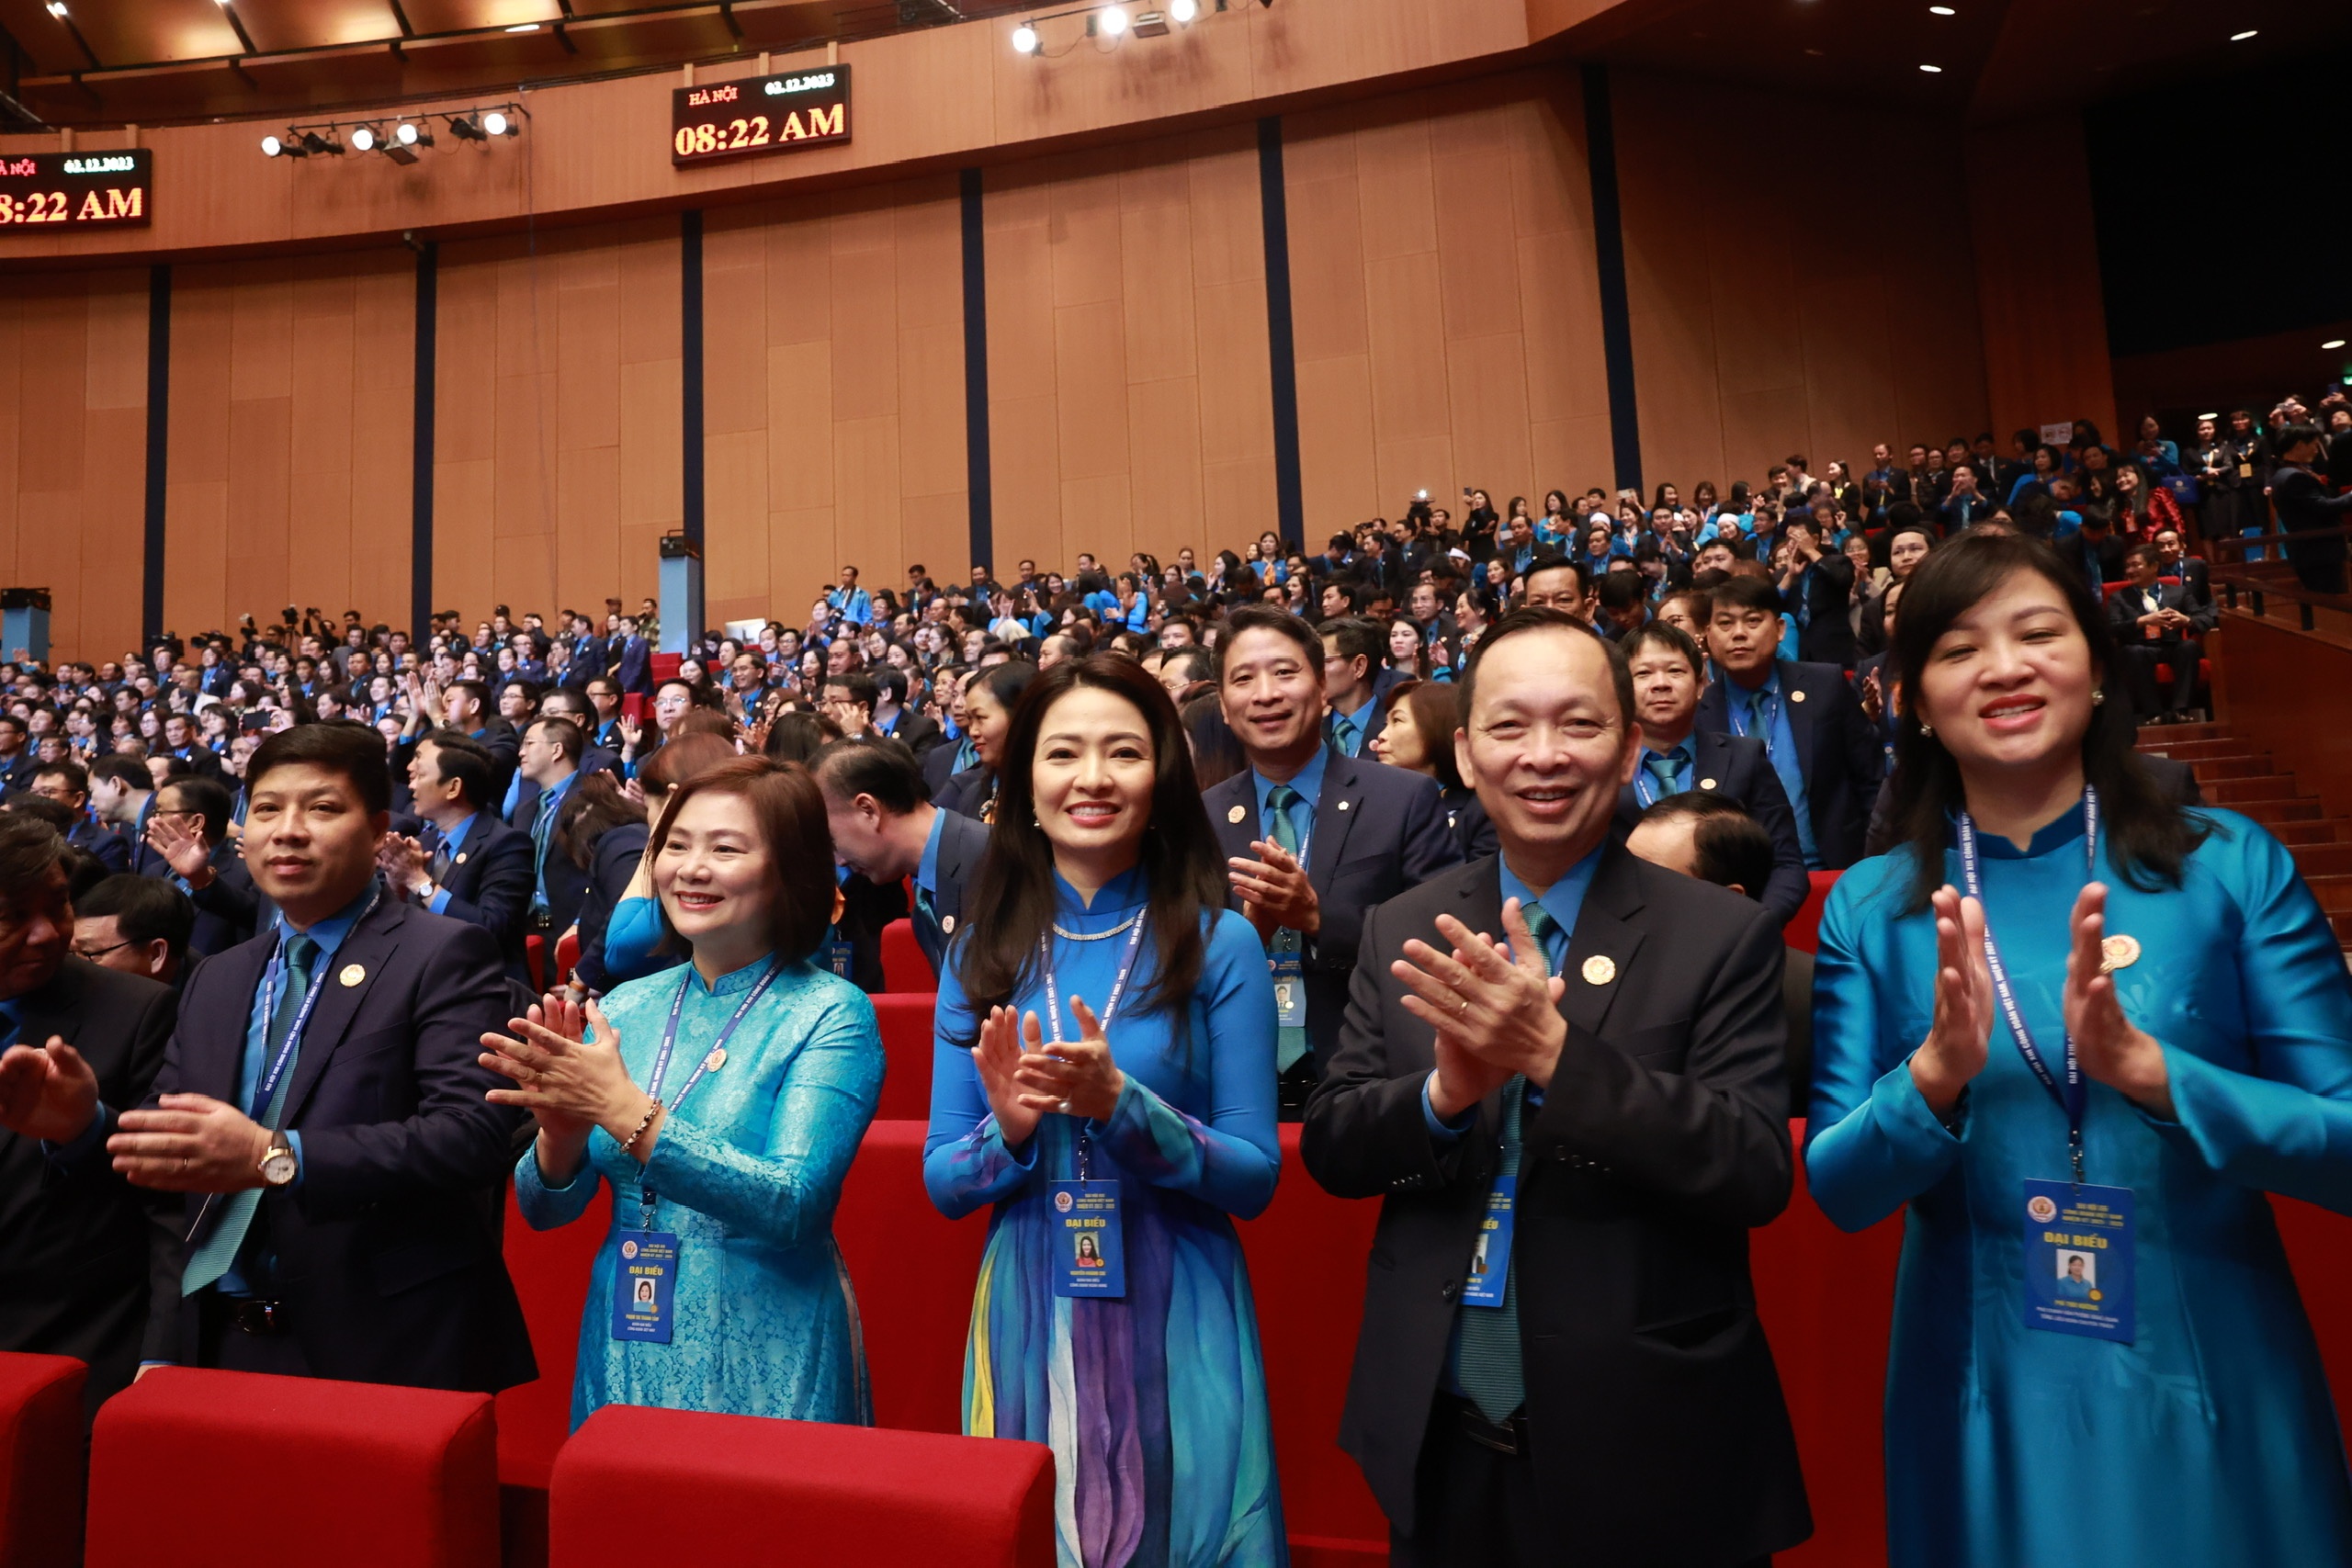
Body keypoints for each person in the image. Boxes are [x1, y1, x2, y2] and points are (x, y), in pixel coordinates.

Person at [1805, 530, 2352, 1566]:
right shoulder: (1874, 910)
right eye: (1959, 648)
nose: (2004, 668)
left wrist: (2160, 1078)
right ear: (1914, 699)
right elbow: (1836, 1189)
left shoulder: (2229, 866)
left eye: (2037, 634)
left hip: (2212, 1367)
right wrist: (1931, 1079)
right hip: (1979, 1385)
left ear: (2097, 667)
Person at [1301, 606, 1809, 1566]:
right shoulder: (1400, 926)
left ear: (1625, 752)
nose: (1543, 755)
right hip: (1441, 1438)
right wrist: (1442, 1097)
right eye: (1509, 726)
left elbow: (1752, 1168)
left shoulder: (1719, 934)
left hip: (1653, 1447)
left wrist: (1555, 1058)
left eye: (1578, 725)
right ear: (1463, 754)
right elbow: (1334, 1143)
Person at [0, 723, 536, 1388]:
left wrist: (276, 1157)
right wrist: (88, 1127)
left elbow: (474, 1136)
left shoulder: (443, 953)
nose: (288, 829)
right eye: (268, 808)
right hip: (223, 1337)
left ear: (376, 831)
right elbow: (176, 1145)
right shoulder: (219, 976)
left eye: (322, 807)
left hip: (385, 1344)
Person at [923, 655, 1283, 1568]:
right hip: (1027, 1298)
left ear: (1160, 778)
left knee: (1187, 1528)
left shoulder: (1220, 940)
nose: (1091, 778)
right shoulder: (978, 951)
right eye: (1062, 754)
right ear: (1022, 782)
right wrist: (1007, 1131)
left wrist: (1123, 1107)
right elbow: (942, 1183)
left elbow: (1253, 1177)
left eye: (1122, 752)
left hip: (1181, 1302)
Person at [496, 755, 884, 1427]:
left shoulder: (831, 1011)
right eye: (675, 844)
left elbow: (794, 1205)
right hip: (627, 1330)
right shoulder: (629, 1004)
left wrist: (626, 1113)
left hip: (769, 1338)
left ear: (788, 868)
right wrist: (558, 1136)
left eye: (725, 848)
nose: (691, 868)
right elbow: (545, 1212)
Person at [1204, 605, 1461, 1117]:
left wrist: (1319, 920)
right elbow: (1171, 965)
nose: (1266, 694)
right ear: (1226, 707)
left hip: (1367, 1083)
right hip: (1231, 1090)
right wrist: (1243, 938)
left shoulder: (1403, 797)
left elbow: (1443, 942)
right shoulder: (1200, 818)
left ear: (1323, 689)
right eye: (1244, 679)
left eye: (1284, 672)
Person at [0, 817, 177, 1422]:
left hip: (66, 1358)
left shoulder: (138, 1011)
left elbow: (175, 1200)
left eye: (59, 904)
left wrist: (87, 1130)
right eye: (11, 917)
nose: (49, 933)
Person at [1616, 623, 1809, 925]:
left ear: (1701, 683)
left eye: (1675, 671)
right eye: (1643, 674)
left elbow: (1786, 865)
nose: (1660, 684)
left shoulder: (1745, 758)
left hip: (1735, 929)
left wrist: (1754, 927)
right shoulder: (1603, 768)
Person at [1695, 574, 1879, 870]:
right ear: (1707, 634)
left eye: (1753, 621)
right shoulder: (1699, 712)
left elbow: (1870, 778)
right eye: (1725, 623)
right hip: (1745, 885)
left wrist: (1876, 861)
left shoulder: (1825, 685)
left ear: (1780, 629)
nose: (1738, 633)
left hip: (1837, 870)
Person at [813, 736, 989, 980]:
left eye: (832, 840)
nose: (839, 861)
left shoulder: (992, 862)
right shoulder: (926, 891)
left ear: (868, 810)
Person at [381, 729, 535, 984]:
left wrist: (418, 881)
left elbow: (489, 929)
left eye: (420, 776)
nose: (411, 785)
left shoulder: (507, 844)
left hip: (482, 984)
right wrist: (396, 883)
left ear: (453, 787)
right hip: (422, 977)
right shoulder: (424, 842)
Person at [1374, 679, 1497, 862]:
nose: (1382, 736)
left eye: (1397, 720)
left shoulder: (1482, 812)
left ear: (1435, 726)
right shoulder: (1378, 802)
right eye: (1385, 724)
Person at [2106, 542, 2213, 725]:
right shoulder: (2119, 597)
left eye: (2136, 565)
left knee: (2189, 646)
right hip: (2139, 647)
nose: (2130, 571)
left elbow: (2206, 618)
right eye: (2128, 566)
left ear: (2154, 566)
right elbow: (2112, 628)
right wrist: (2142, 621)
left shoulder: (2178, 592)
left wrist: (2186, 621)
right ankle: (2153, 713)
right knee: (2134, 653)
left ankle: (2181, 711)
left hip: (2171, 645)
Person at [936, 660, 1037, 823]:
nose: (973, 732)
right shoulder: (971, 792)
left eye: (981, 717)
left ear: (1020, 715)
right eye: (970, 719)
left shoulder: (1051, 792)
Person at [2266, 422, 2352, 593]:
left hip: (2314, 551)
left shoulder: (2286, 473)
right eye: (2313, 445)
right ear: (2299, 445)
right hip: (2318, 552)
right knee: (2330, 606)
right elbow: (2322, 507)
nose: (2316, 450)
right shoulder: (2294, 477)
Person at [74, 873, 196, 987]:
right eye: (71, 952)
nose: (74, 964)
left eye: (87, 953)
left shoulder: (205, 1001)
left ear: (155, 954)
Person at [29, 760, 131, 874]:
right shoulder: (26, 836)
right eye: (34, 793)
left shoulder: (108, 844)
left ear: (77, 799)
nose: (37, 799)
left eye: (46, 792)